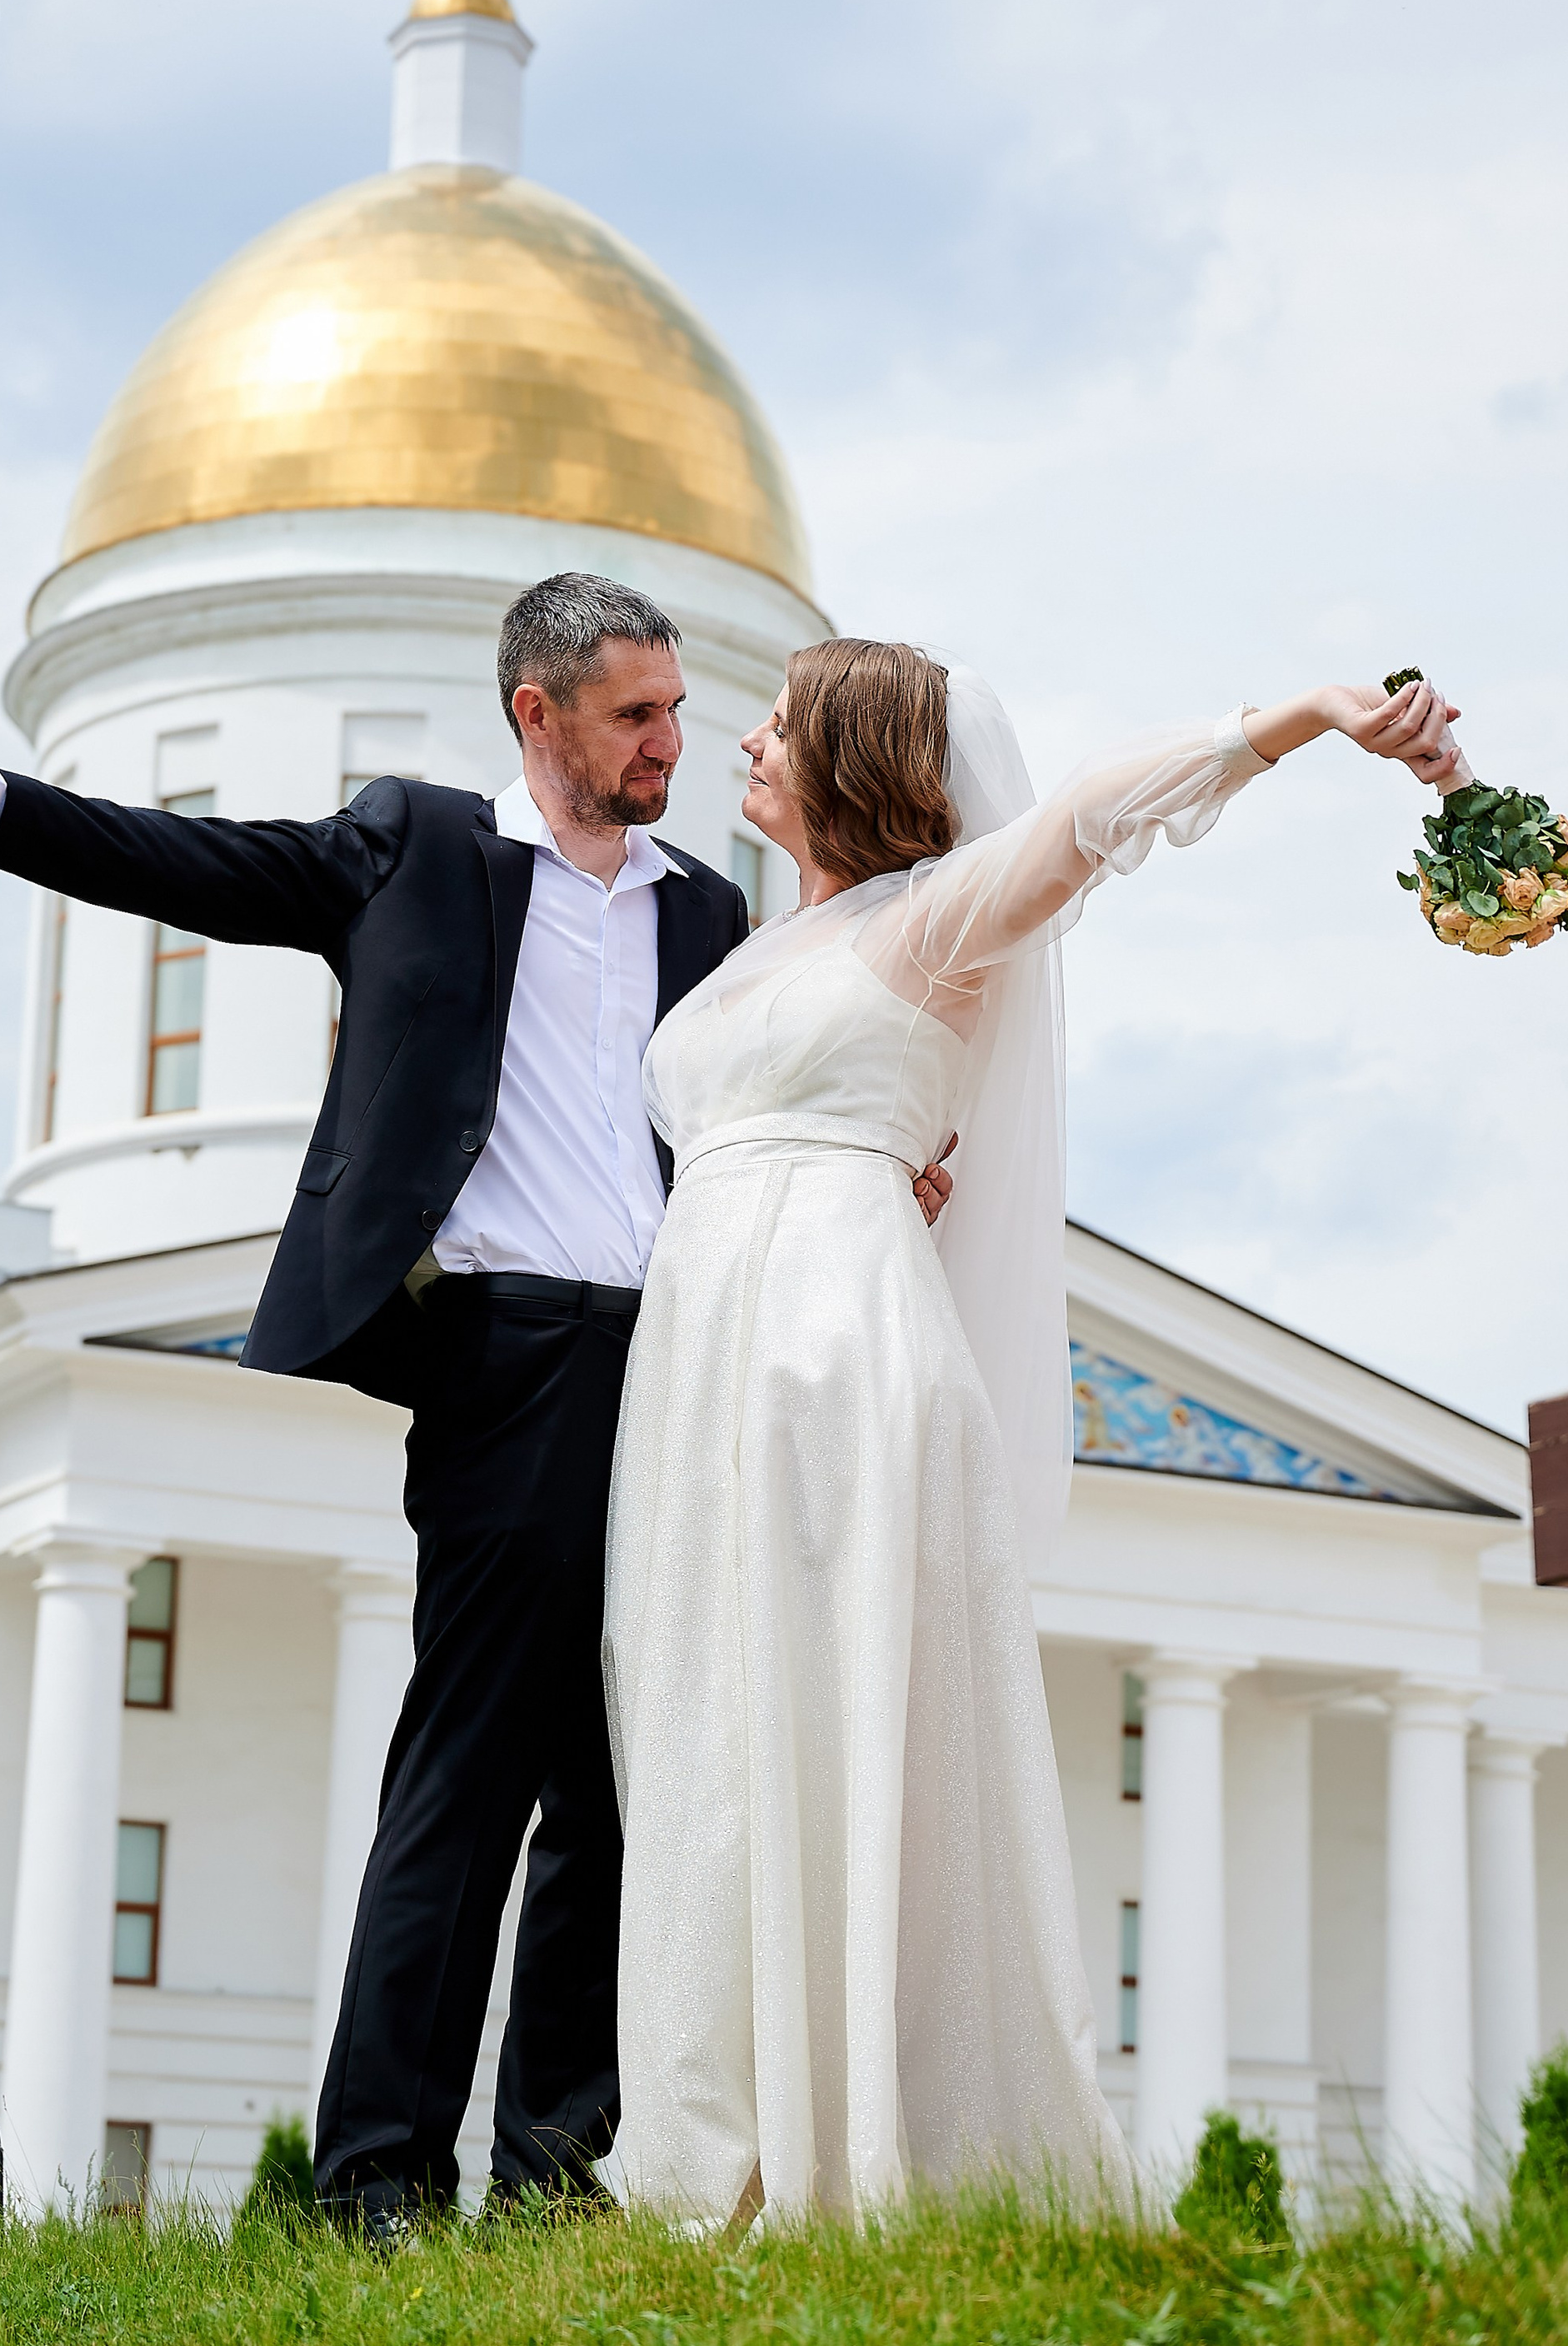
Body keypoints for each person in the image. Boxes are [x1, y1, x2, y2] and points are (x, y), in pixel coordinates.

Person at [0, 573, 952, 2240]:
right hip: (502, 1360)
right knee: (470, 1772)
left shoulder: (712, 919)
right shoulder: (412, 849)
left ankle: (555, 2158)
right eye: (633, 713)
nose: (670, 739)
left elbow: (770, 1102)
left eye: (674, 709)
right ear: (538, 711)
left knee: (621, 1775)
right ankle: (375, 2170)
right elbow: (195, 868)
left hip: (681, 1364)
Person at [603, 649, 1471, 2226]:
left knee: (836, 1708)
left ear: (851, 756)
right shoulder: (752, 950)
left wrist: (1303, 714)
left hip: (836, 1350)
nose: (744, 734)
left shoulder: (932, 918)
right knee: (713, 1720)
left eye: (781, 720)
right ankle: (710, 2147)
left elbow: (1085, 816)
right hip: (703, 1359)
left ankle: (854, 2154)